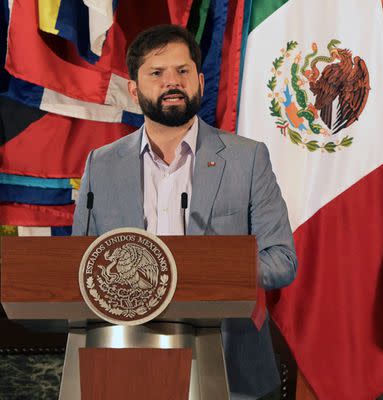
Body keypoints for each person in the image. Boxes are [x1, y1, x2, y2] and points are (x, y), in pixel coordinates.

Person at [72, 24, 297, 399]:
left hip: (230, 366)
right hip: (126, 365)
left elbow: (282, 260)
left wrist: (206, 268)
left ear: (201, 82)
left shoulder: (247, 158)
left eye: (182, 71)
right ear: (134, 89)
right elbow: (78, 267)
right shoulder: (102, 164)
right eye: (156, 73)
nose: (171, 82)